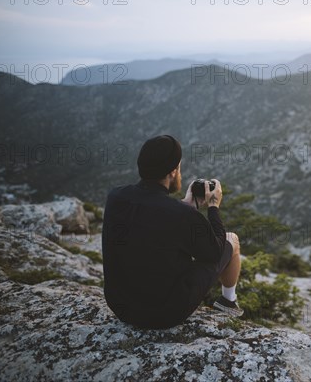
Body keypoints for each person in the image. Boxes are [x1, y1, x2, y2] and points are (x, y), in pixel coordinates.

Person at [101, 135, 243, 330]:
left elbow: (150, 220)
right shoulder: (180, 214)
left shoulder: (115, 196)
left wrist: (187, 205)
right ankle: (228, 303)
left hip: (120, 307)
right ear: (173, 172)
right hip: (164, 314)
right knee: (231, 240)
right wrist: (213, 207)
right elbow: (214, 254)